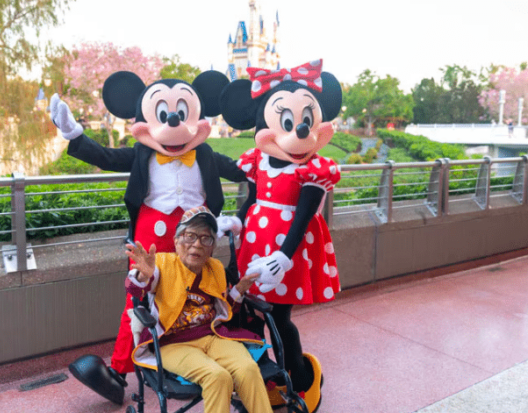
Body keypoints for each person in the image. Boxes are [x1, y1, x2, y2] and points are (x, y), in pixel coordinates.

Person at [50, 71, 245, 405]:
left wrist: (274, 168)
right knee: (139, 298)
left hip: (196, 233)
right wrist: (73, 132)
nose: (173, 122)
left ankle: (214, 348)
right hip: (150, 237)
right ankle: (120, 370)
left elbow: (244, 169)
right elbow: (106, 157)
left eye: (183, 113)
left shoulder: (206, 154)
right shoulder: (141, 153)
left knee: (203, 289)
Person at [219, 59, 343, 412]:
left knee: (279, 317)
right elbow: (254, 198)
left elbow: (304, 217)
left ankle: (302, 379)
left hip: (287, 252)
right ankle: (264, 377)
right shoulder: (259, 160)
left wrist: (284, 255)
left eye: (305, 121)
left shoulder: (313, 169)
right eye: (288, 122)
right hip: (253, 246)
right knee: (249, 314)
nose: (300, 131)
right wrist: (238, 221)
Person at [126, 207, 272, 413]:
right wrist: (142, 276)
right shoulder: (161, 264)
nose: (197, 244)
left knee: (248, 369)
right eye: (190, 236)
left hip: (212, 336)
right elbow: (135, 288)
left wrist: (239, 290)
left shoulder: (215, 268)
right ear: (176, 241)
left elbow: (225, 311)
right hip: (173, 343)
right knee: (217, 376)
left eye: (206, 238)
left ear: (211, 246)